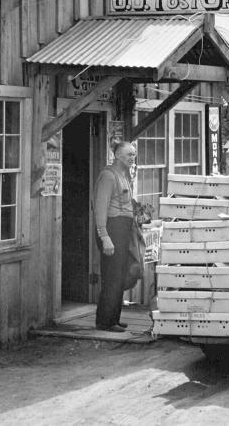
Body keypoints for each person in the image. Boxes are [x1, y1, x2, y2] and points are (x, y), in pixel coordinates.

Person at [94, 141, 141, 332]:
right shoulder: (108, 176)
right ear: (118, 156)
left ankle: (114, 318)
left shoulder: (125, 175)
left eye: (134, 154)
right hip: (111, 229)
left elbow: (126, 202)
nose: (132, 158)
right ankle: (105, 321)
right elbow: (100, 208)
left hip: (123, 229)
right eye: (129, 155)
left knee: (121, 276)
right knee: (112, 276)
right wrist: (104, 236)